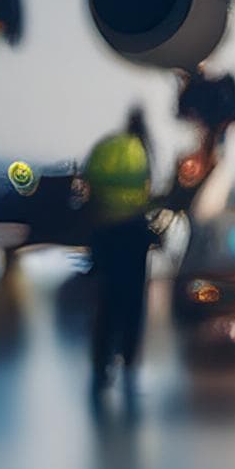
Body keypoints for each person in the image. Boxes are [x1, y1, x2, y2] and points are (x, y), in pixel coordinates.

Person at [82, 104, 158, 398]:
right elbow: (147, 192)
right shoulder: (140, 152)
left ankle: (102, 362)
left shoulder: (109, 148)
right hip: (133, 235)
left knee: (107, 301)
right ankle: (128, 359)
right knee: (132, 303)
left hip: (106, 233)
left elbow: (90, 183)